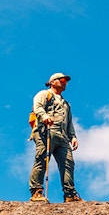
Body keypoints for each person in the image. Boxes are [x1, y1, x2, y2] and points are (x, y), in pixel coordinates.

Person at [29, 72, 81, 203]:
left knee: (68, 163)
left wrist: (72, 136)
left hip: (62, 135)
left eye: (66, 81)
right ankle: (36, 191)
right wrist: (44, 116)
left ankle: (70, 194)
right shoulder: (44, 94)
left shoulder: (66, 103)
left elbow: (69, 122)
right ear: (52, 82)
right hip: (45, 131)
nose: (65, 83)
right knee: (42, 159)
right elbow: (37, 107)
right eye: (62, 80)